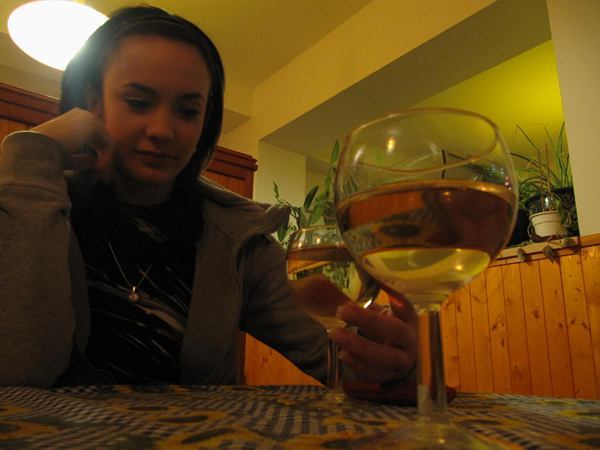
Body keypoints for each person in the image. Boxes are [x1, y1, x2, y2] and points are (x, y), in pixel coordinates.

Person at [0, 6, 416, 394]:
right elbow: (20, 373)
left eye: (187, 111)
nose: (163, 130)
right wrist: (31, 153)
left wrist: (395, 363)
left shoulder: (237, 241)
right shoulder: (29, 203)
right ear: (94, 102)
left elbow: (346, 364)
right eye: (139, 103)